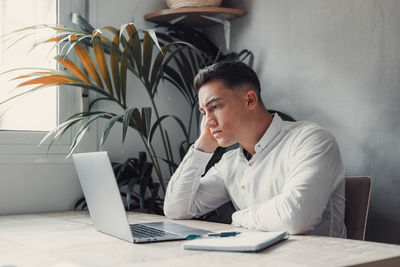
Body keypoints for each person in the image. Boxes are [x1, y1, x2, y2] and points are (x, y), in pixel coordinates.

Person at [163, 61, 346, 237]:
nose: (208, 122)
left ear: (250, 100)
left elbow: (296, 217)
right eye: (204, 112)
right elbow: (176, 209)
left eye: (215, 106)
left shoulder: (311, 140)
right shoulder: (230, 163)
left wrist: (241, 217)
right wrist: (202, 148)